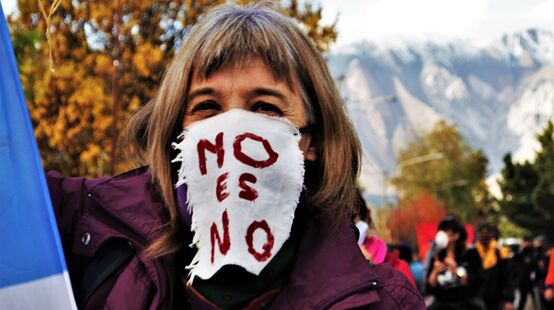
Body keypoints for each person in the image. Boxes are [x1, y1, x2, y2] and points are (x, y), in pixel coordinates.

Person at [46, 3, 424, 309]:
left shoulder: (383, 303)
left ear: (312, 141)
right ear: (176, 132)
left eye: (265, 107)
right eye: (207, 107)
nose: (234, 132)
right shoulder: (79, 230)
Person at [425, 215, 485, 309]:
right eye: (442, 230)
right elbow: (429, 288)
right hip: (443, 305)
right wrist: (435, 272)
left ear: (456, 234)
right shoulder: (436, 256)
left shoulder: (471, 254)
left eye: (446, 230)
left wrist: (456, 270)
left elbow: (477, 283)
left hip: (466, 304)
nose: (442, 234)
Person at [474, 223, 515, 310]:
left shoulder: (501, 252)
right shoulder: (473, 252)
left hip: (497, 300)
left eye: (488, 233)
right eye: (482, 233)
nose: (485, 236)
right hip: (476, 299)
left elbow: (508, 278)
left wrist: (508, 299)